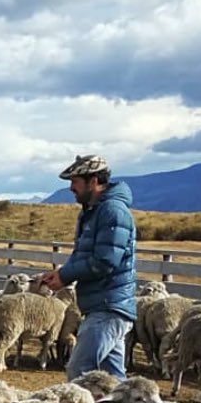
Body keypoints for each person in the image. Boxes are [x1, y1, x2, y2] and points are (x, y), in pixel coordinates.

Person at [37, 155, 136, 382]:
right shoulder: (91, 213)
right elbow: (84, 254)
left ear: (93, 181)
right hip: (102, 304)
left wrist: (65, 276)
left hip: (108, 306)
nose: (71, 188)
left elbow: (105, 260)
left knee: (80, 372)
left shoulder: (112, 211)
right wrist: (61, 274)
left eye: (75, 182)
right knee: (113, 379)